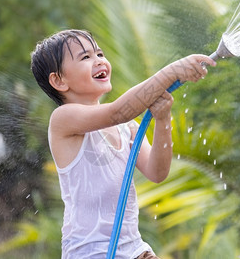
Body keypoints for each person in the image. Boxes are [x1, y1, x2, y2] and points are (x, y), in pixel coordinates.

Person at [30, 29, 215, 258]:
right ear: (59, 80)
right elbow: (118, 112)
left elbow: (157, 172)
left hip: (135, 250)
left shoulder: (126, 129)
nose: (99, 61)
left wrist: (163, 118)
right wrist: (172, 71)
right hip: (91, 252)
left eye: (99, 53)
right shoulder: (63, 120)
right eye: (86, 57)